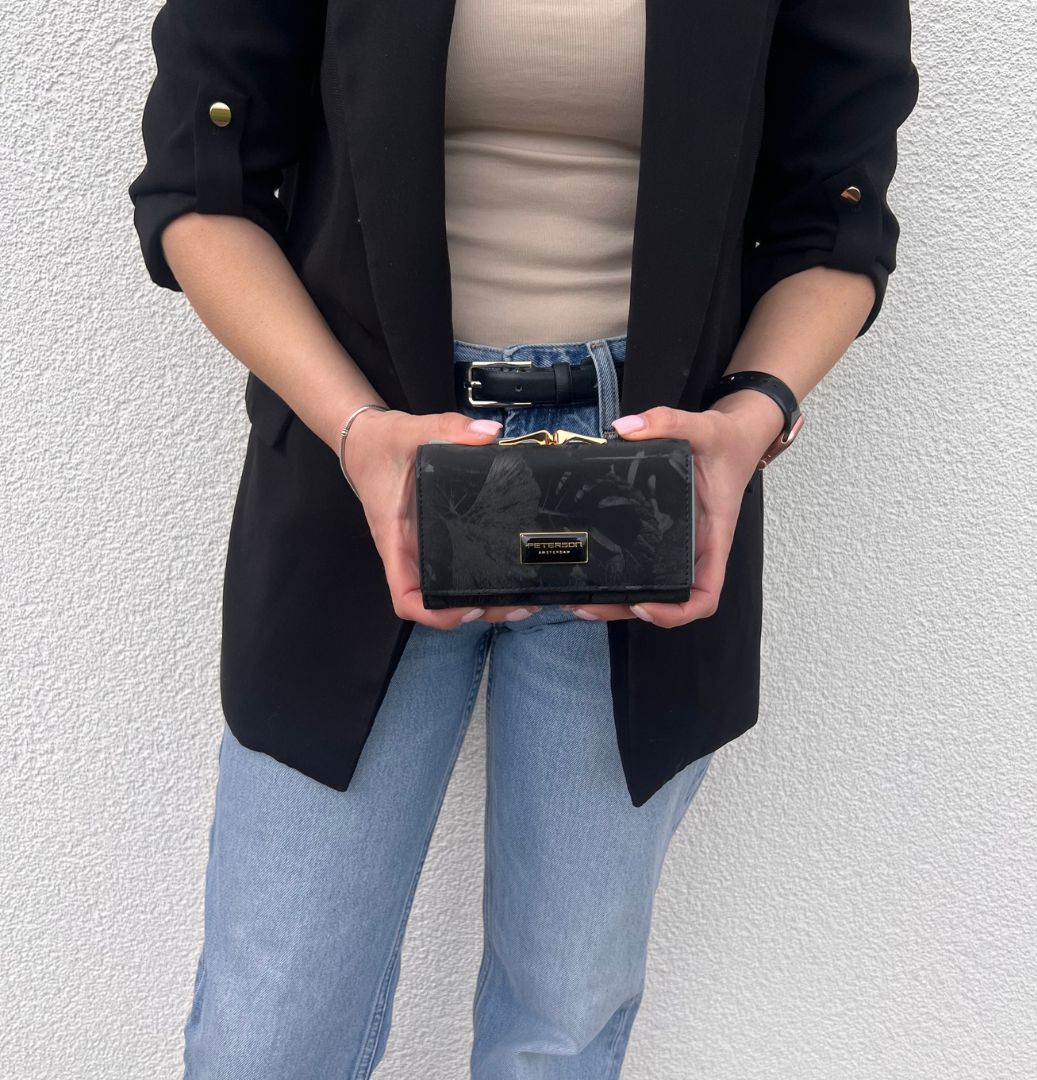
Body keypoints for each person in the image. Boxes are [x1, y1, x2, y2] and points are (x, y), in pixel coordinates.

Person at [128, 0, 919, 1075]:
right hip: (359, 475)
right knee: (268, 1037)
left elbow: (836, 222)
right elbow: (200, 190)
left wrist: (750, 419)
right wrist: (358, 433)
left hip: (649, 489)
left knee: (561, 1031)